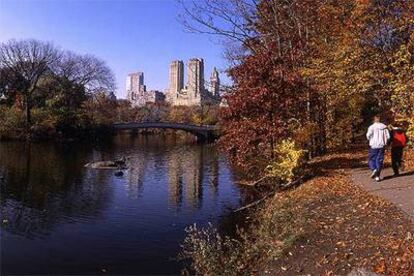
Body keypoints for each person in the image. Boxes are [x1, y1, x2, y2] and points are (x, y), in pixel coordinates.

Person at [366, 115, 390, 182]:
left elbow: (368, 135)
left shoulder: (371, 127)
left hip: (374, 145)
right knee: (379, 159)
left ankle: (374, 169)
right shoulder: (384, 127)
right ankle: (377, 176)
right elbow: (388, 137)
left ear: (374, 120)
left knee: (372, 159)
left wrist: (370, 139)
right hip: (382, 145)